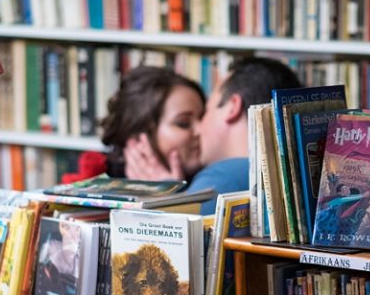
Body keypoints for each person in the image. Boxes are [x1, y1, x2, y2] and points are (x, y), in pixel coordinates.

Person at [125, 56, 302, 214]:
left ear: (232, 107)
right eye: (184, 123)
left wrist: (166, 199)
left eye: (205, 112)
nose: (199, 129)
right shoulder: (287, 171)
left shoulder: (222, 178)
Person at [98, 66, 206, 181]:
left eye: (204, 118)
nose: (202, 129)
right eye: (183, 123)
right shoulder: (97, 185)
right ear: (138, 137)